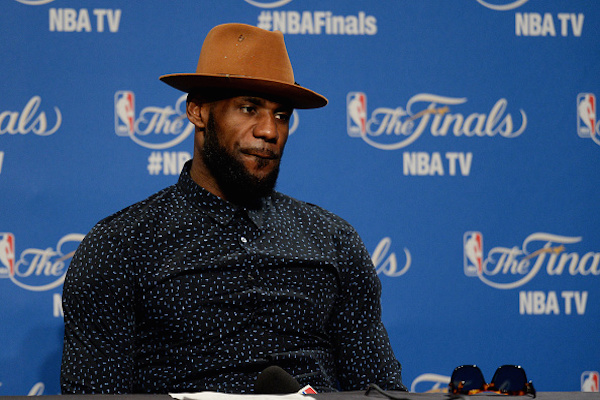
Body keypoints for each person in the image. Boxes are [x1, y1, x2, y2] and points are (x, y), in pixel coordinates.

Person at [60, 23, 406, 394]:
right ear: (197, 111)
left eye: (282, 115)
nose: (269, 131)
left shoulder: (333, 241)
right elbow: (94, 396)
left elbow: (380, 388)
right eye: (249, 108)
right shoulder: (120, 246)